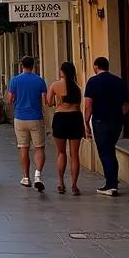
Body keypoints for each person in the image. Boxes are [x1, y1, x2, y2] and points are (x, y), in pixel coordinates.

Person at [82, 56, 129, 196]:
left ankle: (110, 184)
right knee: (111, 150)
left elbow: (88, 105)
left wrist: (86, 122)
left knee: (105, 152)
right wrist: (120, 114)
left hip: (100, 122)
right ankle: (113, 181)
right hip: (116, 122)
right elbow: (127, 104)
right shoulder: (119, 81)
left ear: (96, 67)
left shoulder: (93, 82)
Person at [7, 56, 49, 192]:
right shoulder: (40, 81)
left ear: (21, 65)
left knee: (23, 148)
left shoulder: (15, 80)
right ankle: (38, 175)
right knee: (39, 148)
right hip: (36, 117)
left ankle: (25, 177)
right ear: (34, 65)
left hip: (20, 117)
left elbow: (9, 99)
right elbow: (44, 102)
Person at [48, 61, 85, 195]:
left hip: (60, 119)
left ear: (62, 72)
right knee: (74, 154)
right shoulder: (77, 88)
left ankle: (61, 183)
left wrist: (57, 102)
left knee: (61, 153)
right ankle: (74, 185)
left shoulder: (55, 85)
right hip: (75, 118)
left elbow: (49, 102)